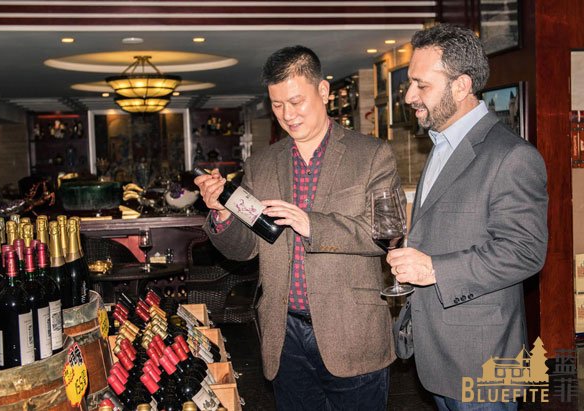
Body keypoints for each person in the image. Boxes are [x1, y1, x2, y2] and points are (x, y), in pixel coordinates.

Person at [194, 45, 402, 410]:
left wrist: (311, 224)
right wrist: (223, 214)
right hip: (284, 336)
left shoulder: (371, 155)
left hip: (352, 332)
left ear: (323, 91)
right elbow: (245, 249)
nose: (287, 115)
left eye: (295, 101)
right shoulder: (261, 164)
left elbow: (386, 235)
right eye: (277, 105)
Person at [386, 24, 548, 411]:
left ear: (461, 86)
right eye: (410, 84)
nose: (409, 96)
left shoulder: (513, 156)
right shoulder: (441, 143)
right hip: (439, 352)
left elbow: (525, 252)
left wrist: (433, 268)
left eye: (421, 85)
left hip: (482, 358)